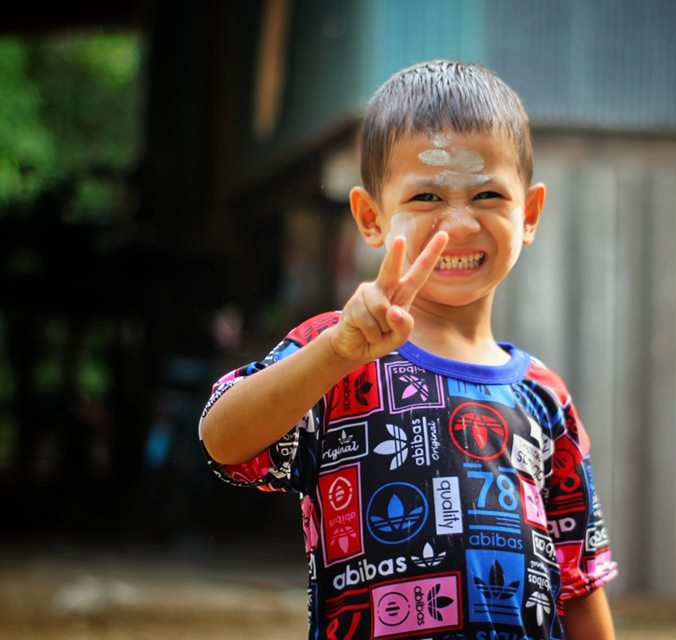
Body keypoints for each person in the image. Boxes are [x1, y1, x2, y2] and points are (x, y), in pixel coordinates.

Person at [199, 60, 617, 640]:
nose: (459, 223)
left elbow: (579, 583)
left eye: (488, 194)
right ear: (371, 218)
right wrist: (336, 353)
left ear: (528, 214)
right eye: (426, 196)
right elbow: (223, 441)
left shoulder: (544, 397)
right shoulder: (341, 353)